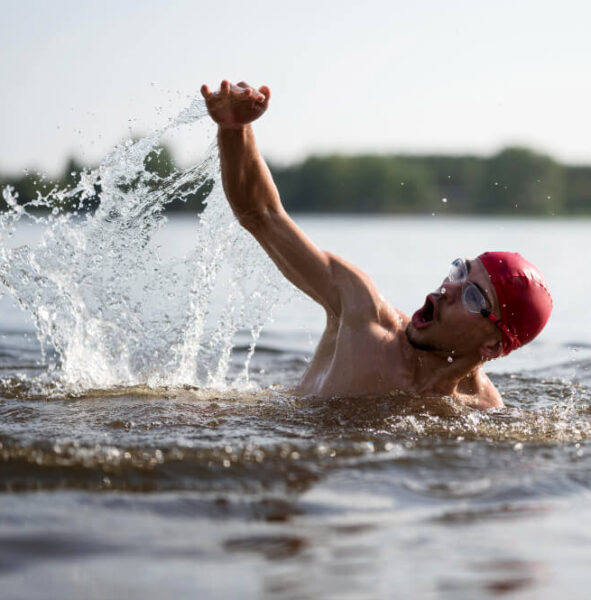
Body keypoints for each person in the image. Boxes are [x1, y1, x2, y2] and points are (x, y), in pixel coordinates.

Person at [200, 80, 552, 409]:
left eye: (473, 297)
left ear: (492, 345)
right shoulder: (362, 313)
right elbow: (262, 215)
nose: (448, 289)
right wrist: (235, 130)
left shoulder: (485, 408)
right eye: (460, 272)